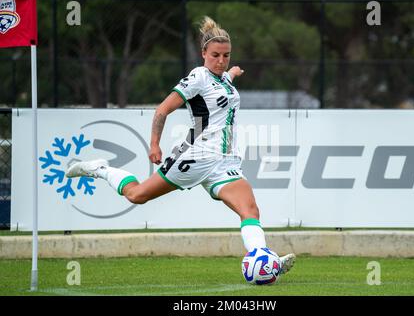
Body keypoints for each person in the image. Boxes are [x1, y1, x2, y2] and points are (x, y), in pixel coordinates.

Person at [67, 16, 295, 276]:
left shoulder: (224, 80)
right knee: (137, 195)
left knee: (250, 209)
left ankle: (263, 261)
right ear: (203, 54)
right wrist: (154, 144)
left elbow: (225, 84)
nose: (221, 61)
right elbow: (163, 110)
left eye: (226, 56)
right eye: (215, 55)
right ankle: (100, 169)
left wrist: (233, 73)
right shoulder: (198, 77)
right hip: (195, 156)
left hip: (225, 162)